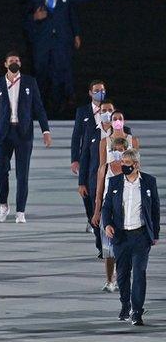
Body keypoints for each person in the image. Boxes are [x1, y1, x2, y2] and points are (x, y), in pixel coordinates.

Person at [0, 51, 52, 223]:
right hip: (4, 134)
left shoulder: (30, 82)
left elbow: (39, 108)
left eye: (17, 60)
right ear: (5, 64)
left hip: (23, 134)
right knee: (1, 170)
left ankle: (20, 211)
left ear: (20, 64)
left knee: (23, 174)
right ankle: (3, 205)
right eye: (11, 61)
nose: (14, 63)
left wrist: (46, 131)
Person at [101, 149, 160, 326]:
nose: (123, 165)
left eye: (127, 163)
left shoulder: (149, 182)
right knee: (122, 275)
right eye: (122, 162)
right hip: (120, 236)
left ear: (136, 164)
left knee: (140, 273)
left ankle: (137, 311)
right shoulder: (114, 182)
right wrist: (108, 224)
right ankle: (125, 304)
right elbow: (106, 207)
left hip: (141, 236)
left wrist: (155, 233)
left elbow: (155, 209)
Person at [23, 0, 102, 111]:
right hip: (42, 41)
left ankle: (58, 104)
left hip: (61, 40)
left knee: (59, 71)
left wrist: (76, 34)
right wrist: (35, 17)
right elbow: (24, 15)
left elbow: (79, 1)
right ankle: (39, 103)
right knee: (40, 71)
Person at [78, 102, 117, 287]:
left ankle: (116, 268)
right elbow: (85, 156)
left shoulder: (126, 135)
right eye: (104, 111)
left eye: (111, 111)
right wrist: (82, 182)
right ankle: (109, 271)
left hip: (121, 188)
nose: (108, 114)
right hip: (97, 183)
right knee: (101, 224)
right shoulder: (94, 134)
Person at [92, 110, 140, 226]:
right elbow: (102, 164)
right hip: (109, 176)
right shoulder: (104, 142)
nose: (118, 121)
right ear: (111, 122)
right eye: (115, 119)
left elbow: (137, 165)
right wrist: (97, 211)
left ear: (124, 121)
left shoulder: (133, 140)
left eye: (120, 119)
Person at [71, 80, 106, 232]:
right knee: (85, 189)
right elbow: (76, 136)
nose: (101, 93)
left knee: (101, 188)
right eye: (97, 90)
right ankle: (90, 216)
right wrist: (74, 159)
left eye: (103, 90)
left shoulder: (110, 110)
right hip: (87, 156)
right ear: (90, 93)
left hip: (105, 154)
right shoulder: (83, 111)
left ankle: (101, 218)